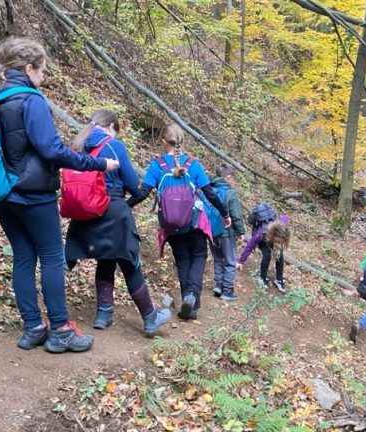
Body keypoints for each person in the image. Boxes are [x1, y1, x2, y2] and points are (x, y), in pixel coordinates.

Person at [0, 38, 119, 353]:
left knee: (23, 256)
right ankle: (60, 330)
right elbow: (52, 150)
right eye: (42, 71)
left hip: (1, 193)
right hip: (33, 193)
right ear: (29, 68)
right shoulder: (31, 99)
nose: (43, 76)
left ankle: (33, 327)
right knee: (52, 256)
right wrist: (99, 164)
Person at [65, 110, 171, 337]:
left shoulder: (78, 144)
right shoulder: (114, 146)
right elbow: (132, 184)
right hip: (112, 210)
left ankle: (103, 314)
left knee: (105, 258)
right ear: (111, 127)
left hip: (86, 212)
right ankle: (150, 316)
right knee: (130, 261)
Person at [127, 124, 230, 320]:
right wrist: (225, 214)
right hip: (194, 221)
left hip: (171, 224)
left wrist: (124, 205)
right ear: (182, 141)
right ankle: (192, 298)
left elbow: (142, 193)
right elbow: (209, 193)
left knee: (183, 259)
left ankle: (187, 299)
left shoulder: (157, 165)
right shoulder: (193, 164)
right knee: (199, 255)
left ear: (163, 142)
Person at [209, 164, 245, 301]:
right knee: (230, 261)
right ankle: (227, 291)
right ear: (228, 177)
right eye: (233, 179)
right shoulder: (230, 193)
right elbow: (236, 215)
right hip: (226, 232)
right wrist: (240, 231)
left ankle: (219, 285)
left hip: (212, 231)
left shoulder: (209, 188)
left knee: (218, 258)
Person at [236, 210, 290, 293]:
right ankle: (262, 277)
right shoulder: (260, 233)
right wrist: (240, 261)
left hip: (273, 237)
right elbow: (249, 246)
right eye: (278, 239)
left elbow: (285, 217)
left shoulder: (282, 227)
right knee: (267, 254)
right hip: (264, 239)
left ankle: (279, 280)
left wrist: (285, 219)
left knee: (280, 255)